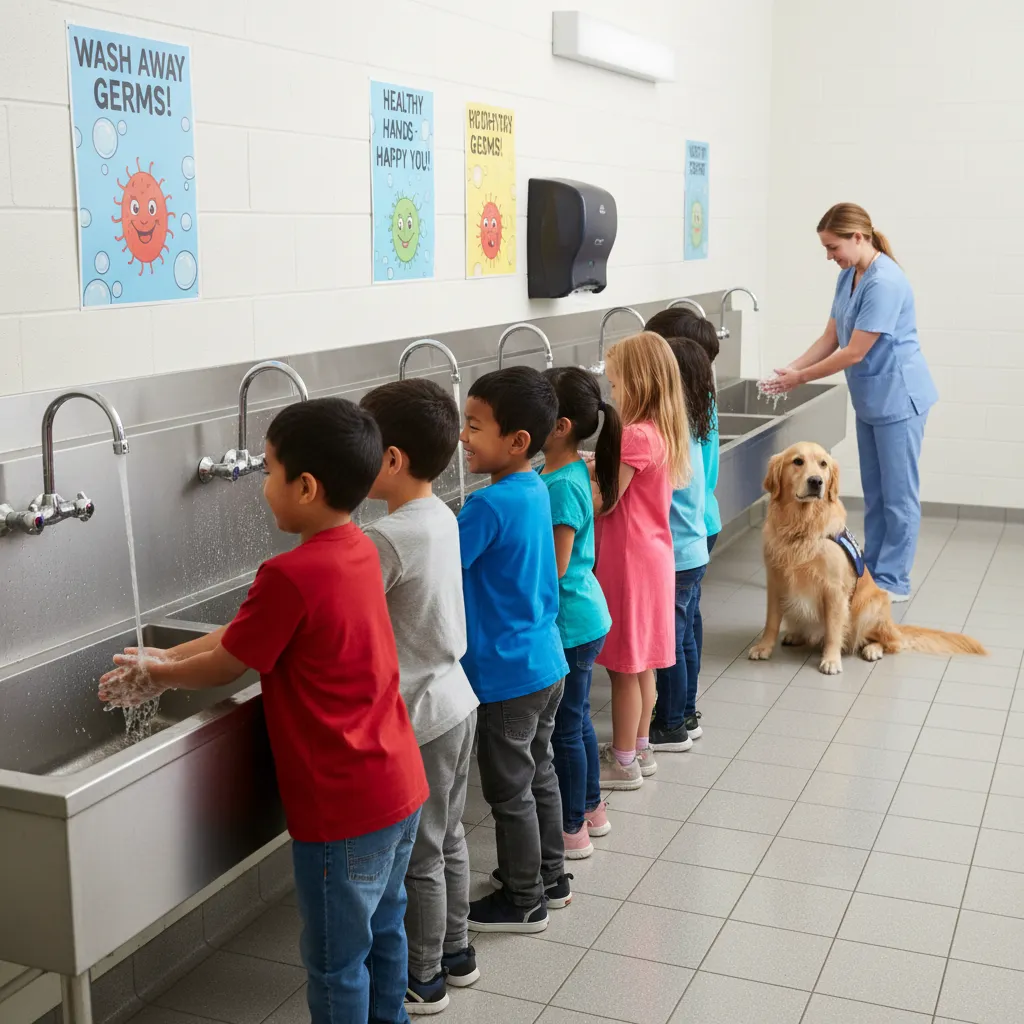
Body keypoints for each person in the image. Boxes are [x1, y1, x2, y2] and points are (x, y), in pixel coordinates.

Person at [99, 398, 428, 1024]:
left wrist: (158, 676)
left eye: (269, 471)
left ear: (305, 486)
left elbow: (229, 662)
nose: (263, 486)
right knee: (385, 934)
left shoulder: (290, 573)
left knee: (335, 964)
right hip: (397, 786)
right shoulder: (357, 548)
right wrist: (162, 659)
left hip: (341, 810)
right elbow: (240, 636)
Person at [360, 379, 481, 1015]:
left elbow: (339, 610)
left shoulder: (387, 539)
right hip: (456, 700)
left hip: (423, 717)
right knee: (449, 836)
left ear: (393, 460)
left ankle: (426, 974)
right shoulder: (438, 514)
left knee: (422, 856)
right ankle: (456, 950)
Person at [762, 203, 938, 601]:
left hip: (899, 398)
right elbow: (831, 337)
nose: (830, 256)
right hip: (872, 399)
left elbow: (855, 351)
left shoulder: (885, 282)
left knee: (898, 495)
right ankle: (872, 571)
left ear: (858, 238)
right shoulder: (849, 276)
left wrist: (802, 378)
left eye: (833, 247)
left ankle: (894, 581)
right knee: (875, 493)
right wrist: (791, 369)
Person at [456, 366, 571, 933]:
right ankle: (551, 874)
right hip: (546, 661)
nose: (462, 436)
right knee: (539, 771)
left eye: (474, 426)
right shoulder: (532, 488)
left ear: (517, 441)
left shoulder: (486, 507)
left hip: (505, 675)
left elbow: (442, 568)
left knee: (509, 790)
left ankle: (524, 898)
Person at [593, 332, 690, 789]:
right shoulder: (661, 431)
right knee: (644, 662)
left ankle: (623, 761)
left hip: (627, 564)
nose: (611, 393)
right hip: (653, 558)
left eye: (614, 385)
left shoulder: (634, 434)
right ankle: (642, 747)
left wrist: (577, 480)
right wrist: (598, 461)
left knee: (623, 668)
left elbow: (607, 502)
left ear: (637, 384)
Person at [539, 366, 619, 858]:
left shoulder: (564, 484)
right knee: (578, 720)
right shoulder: (564, 472)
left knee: (568, 726)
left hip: (571, 619)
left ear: (561, 426)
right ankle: (591, 807)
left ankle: (572, 829)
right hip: (585, 615)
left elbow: (557, 563)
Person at [645, 308, 722, 706]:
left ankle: (674, 716)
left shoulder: (676, 415)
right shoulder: (701, 397)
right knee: (689, 622)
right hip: (703, 520)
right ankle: (686, 709)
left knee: (674, 632)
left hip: (684, 532)